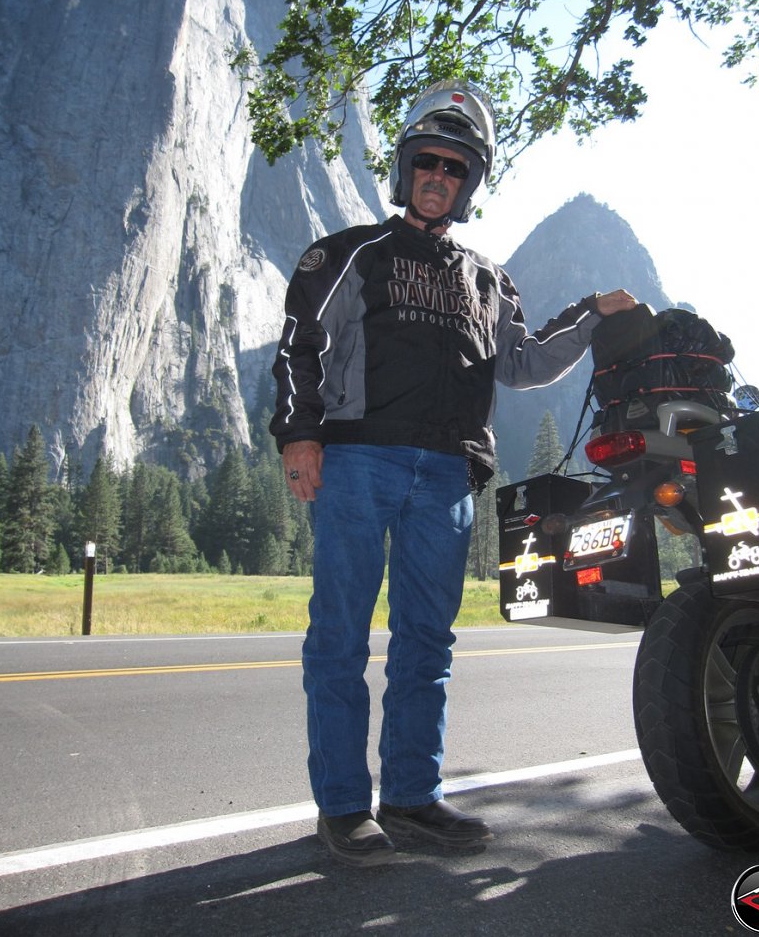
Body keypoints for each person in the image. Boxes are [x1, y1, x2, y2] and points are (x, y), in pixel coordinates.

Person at [270, 79, 637, 866]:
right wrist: (298, 437)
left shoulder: (486, 277)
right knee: (339, 639)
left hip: (444, 479)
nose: (440, 176)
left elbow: (526, 361)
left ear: (469, 185)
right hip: (358, 462)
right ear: (404, 169)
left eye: (456, 168)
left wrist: (590, 316)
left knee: (426, 644)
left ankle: (410, 797)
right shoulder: (345, 254)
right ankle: (341, 806)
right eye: (427, 162)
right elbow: (298, 343)